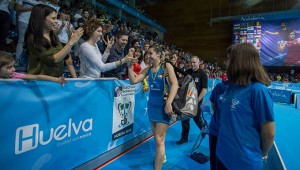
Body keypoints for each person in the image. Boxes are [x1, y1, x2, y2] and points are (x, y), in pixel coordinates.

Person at [216, 43, 275, 170]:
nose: (226, 63)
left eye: (229, 59)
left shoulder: (258, 90)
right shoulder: (229, 88)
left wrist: (262, 153)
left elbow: (268, 133)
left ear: (240, 61)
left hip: (244, 162)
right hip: (222, 155)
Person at [128, 45, 178, 170]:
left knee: (159, 139)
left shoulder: (167, 66)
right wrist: (129, 65)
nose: (148, 55)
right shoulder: (148, 69)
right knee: (157, 139)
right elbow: (133, 81)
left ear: (159, 54)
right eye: (147, 53)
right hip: (152, 107)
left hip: (163, 108)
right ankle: (162, 154)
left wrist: (169, 103)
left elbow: (175, 84)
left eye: (150, 53)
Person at [24, 4, 83, 77]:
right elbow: (52, 60)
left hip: (55, 80)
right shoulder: (33, 37)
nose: (56, 21)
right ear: (41, 19)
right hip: (41, 83)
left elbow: (64, 56)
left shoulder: (53, 35)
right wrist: (71, 42)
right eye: (53, 18)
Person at [176, 55, 208, 145]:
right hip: (186, 100)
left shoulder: (203, 74)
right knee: (185, 119)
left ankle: (203, 130)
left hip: (196, 101)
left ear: (198, 63)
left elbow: (204, 89)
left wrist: (197, 100)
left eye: (194, 62)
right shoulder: (187, 72)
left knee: (197, 118)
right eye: (191, 62)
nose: (192, 64)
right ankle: (184, 138)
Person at [0, 51, 66, 85]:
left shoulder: (15, 75)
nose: (14, 69)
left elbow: (37, 77)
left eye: (13, 66)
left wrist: (56, 80)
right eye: (9, 67)